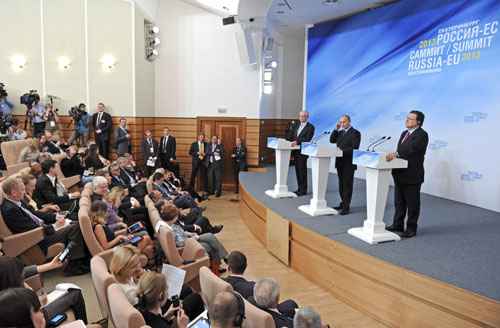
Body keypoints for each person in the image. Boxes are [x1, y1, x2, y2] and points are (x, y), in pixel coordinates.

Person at [1, 176, 88, 276]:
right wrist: (55, 226)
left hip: (42, 230)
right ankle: (73, 267)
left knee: (72, 222)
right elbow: (30, 229)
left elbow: (36, 214)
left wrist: (56, 217)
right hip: (37, 239)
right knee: (74, 227)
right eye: (22, 189)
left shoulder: (17, 202)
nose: (25, 192)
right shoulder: (10, 210)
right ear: (13, 192)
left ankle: (80, 260)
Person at [0, 257, 88, 323]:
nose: (1, 254)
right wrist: (35, 300)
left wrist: (50, 265)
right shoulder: (11, 301)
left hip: (30, 308)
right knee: (75, 293)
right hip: (31, 315)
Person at [386, 110, 429, 238]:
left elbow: (412, 149)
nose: (407, 120)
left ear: (418, 122)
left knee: (412, 203)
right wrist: (396, 154)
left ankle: (411, 228)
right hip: (400, 173)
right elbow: (401, 149)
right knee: (399, 202)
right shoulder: (404, 133)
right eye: (407, 118)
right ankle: (397, 224)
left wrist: (396, 154)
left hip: (412, 174)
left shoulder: (422, 134)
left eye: (411, 119)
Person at [158, 203, 228, 268]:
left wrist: (190, 234)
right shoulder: (170, 229)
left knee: (209, 236)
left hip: (189, 240)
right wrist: (194, 238)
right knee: (209, 245)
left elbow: (181, 232)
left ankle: (226, 257)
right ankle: (217, 267)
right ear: (174, 217)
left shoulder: (168, 224)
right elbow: (180, 243)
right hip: (187, 247)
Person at [329, 115, 361, 215]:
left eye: (344, 122)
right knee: (341, 184)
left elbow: (354, 148)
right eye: (341, 122)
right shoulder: (340, 132)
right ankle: (343, 203)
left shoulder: (355, 133)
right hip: (339, 162)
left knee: (347, 185)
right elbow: (332, 140)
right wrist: (336, 129)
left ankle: (346, 207)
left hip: (349, 163)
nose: (342, 124)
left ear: (349, 121)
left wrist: (341, 152)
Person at [286, 111, 315, 196]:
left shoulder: (311, 127)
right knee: (297, 170)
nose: (302, 118)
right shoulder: (296, 125)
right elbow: (291, 136)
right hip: (295, 151)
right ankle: (299, 188)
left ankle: (303, 190)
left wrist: (297, 142)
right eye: (301, 116)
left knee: (302, 171)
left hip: (303, 152)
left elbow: (307, 139)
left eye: (304, 116)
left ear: (307, 117)